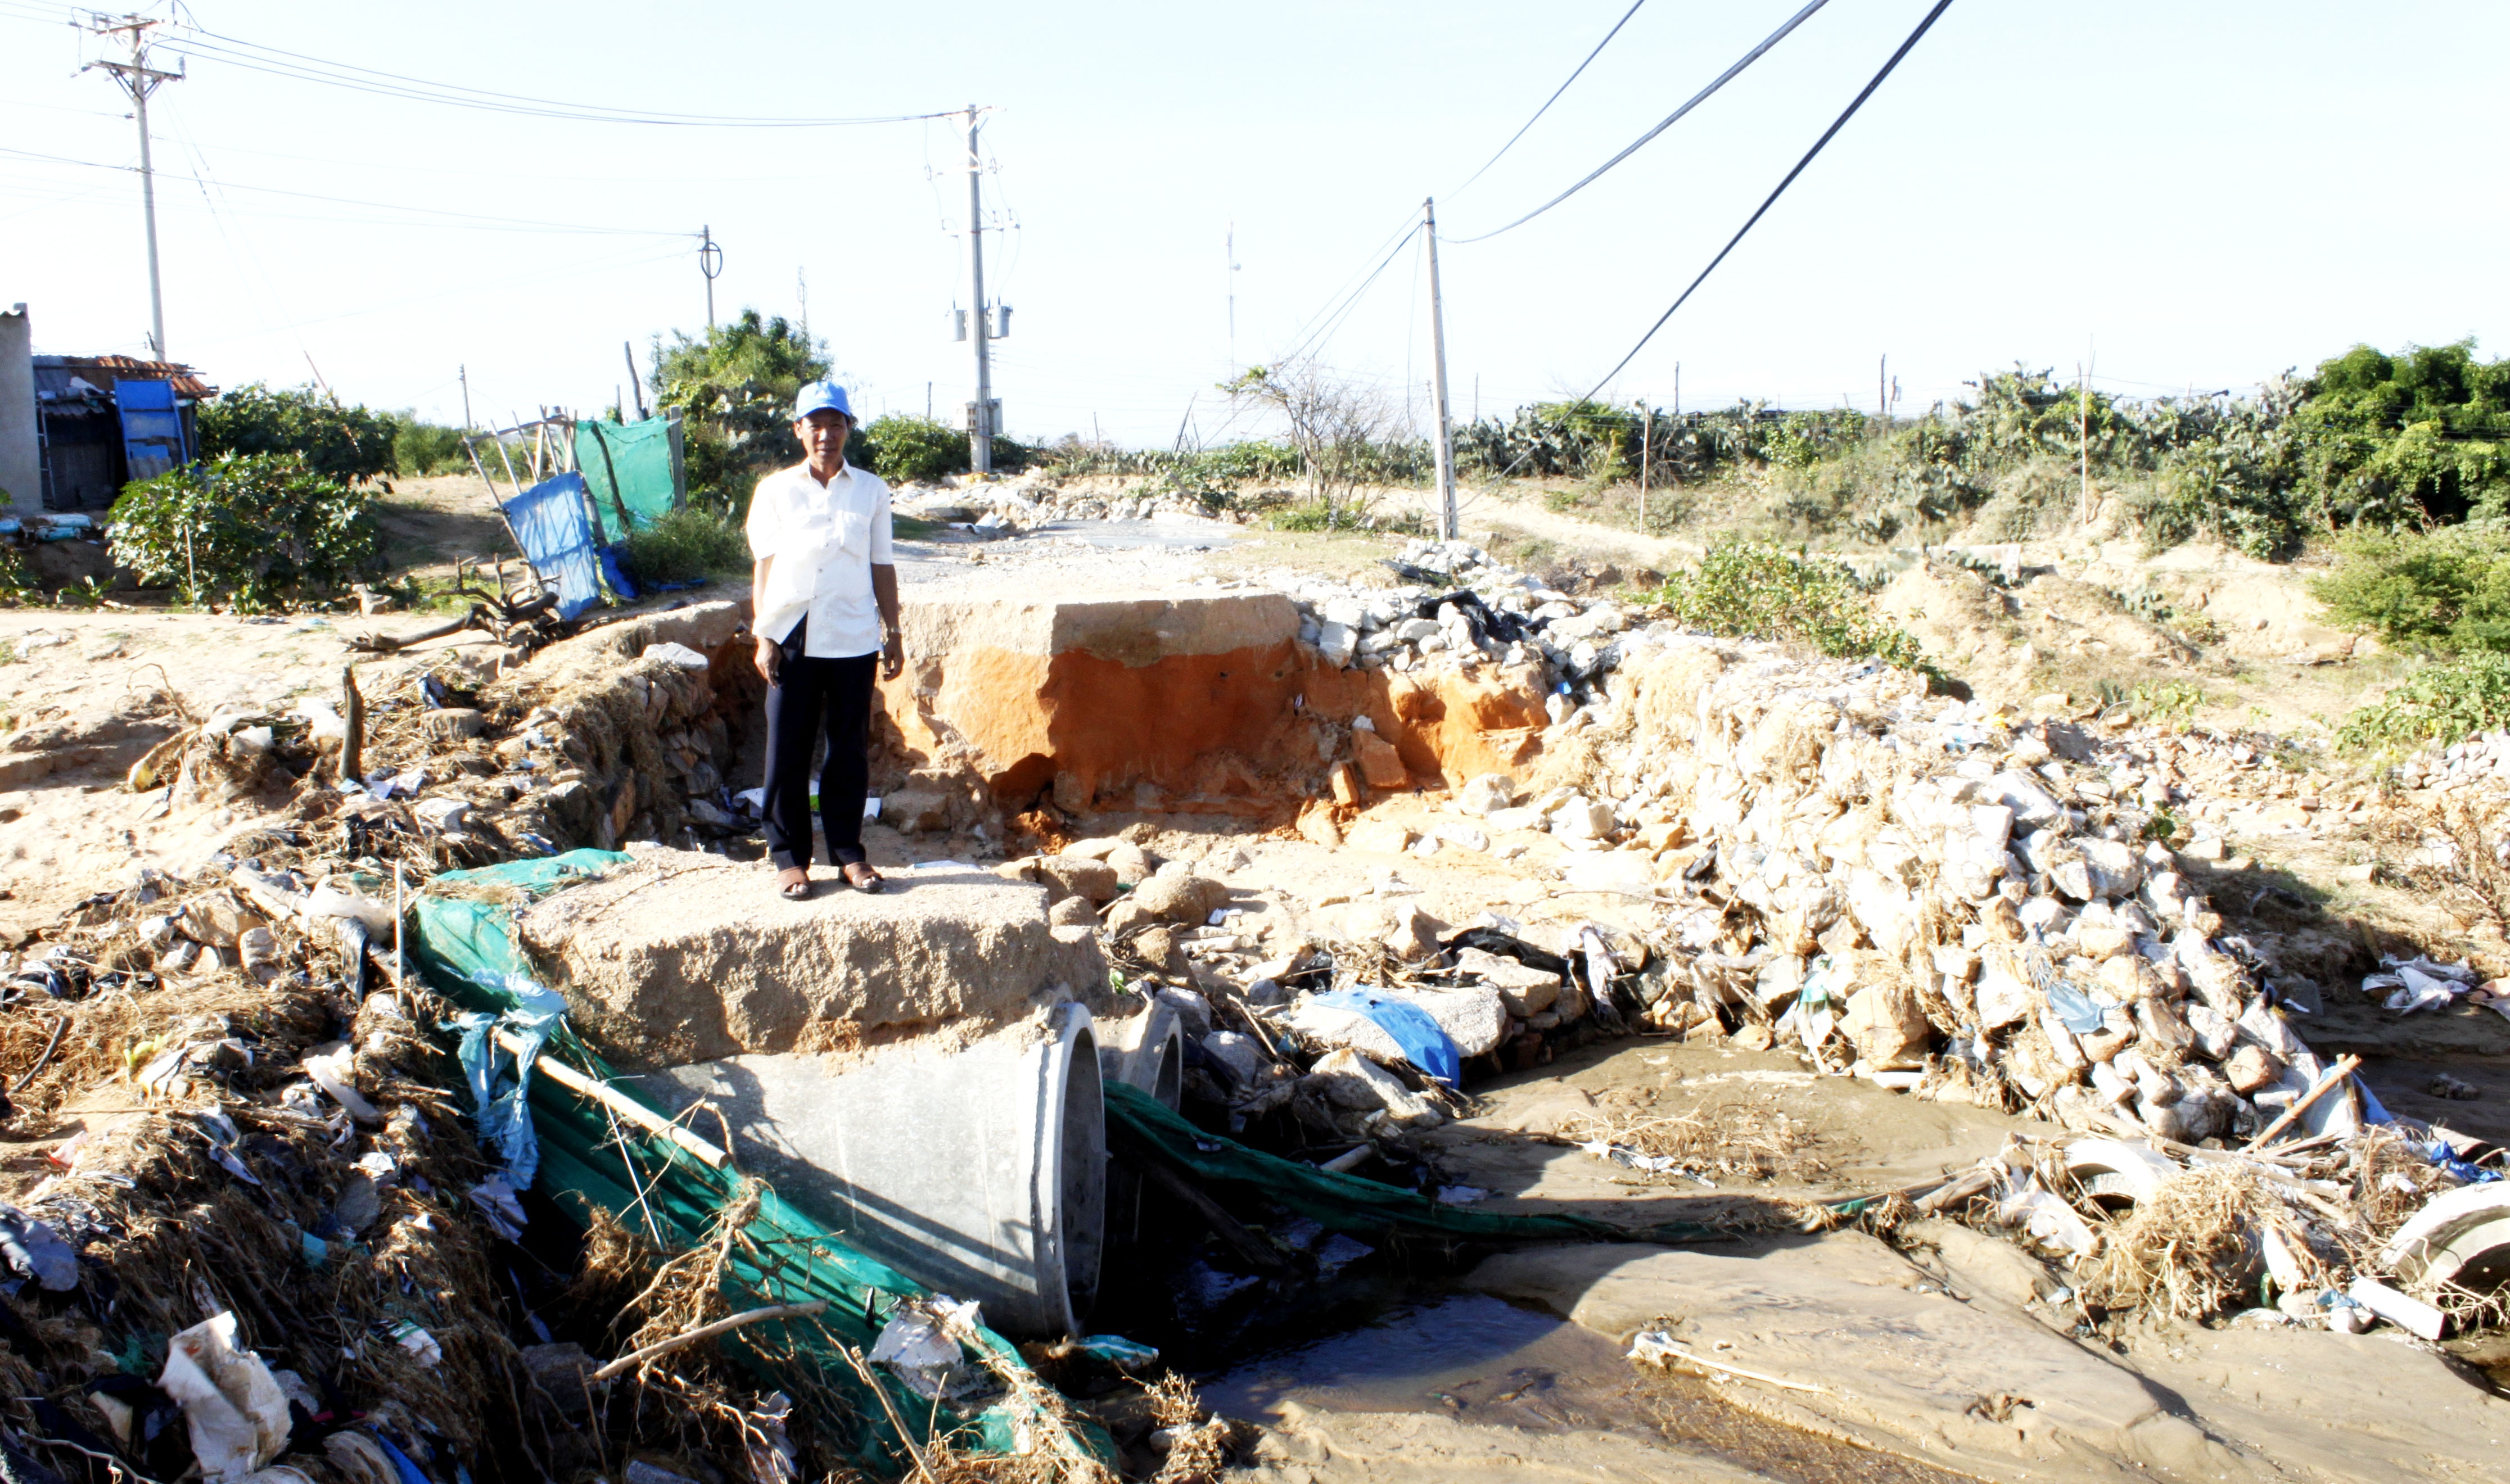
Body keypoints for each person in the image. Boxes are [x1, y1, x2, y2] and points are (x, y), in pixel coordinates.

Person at [745, 381, 904, 900]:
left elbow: (881, 564)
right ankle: (789, 858)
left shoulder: (871, 490)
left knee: (848, 750)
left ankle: (849, 853)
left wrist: (893, 631)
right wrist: (763, 633)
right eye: (815, 424)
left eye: (836, 424)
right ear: (798, 430)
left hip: (854, 635)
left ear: (848, 429)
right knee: (786, 749)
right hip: (792, 633)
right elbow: (764, 566)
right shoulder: (775, 490)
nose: (826, 434)